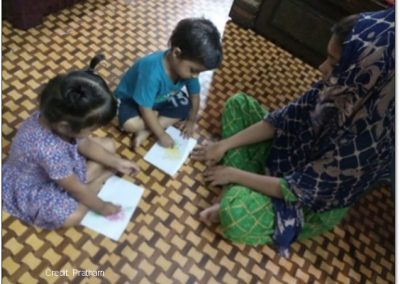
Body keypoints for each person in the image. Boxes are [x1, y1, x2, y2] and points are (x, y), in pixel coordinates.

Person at [193, 8, 394, 256]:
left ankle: (242, 189)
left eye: (333, 63)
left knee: (234, 215)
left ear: (362, 72)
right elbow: (284, 118)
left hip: (305, 203)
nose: (322, 68)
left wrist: (232, 173)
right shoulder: (338, 87)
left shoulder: (366, 141)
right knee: (239, 105)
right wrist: (223, 146)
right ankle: (245, 185)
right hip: (288, 158)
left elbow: (297, 189)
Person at [2, 55, 140, 230]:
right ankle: (98, 182)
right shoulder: (48, 150)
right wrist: (103, 207)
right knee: (73, 216)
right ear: (65, 127)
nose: (93, 132)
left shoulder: (55, 115)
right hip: (36, 187)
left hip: (57, 169)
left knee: (109, 146)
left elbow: (85, 143)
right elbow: (75, 189)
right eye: (91, 128)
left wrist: (116, 162)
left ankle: (100, 176)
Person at [115, 17, 223, 149]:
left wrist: (191, 120)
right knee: (129, 125)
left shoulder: (187, 71)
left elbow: (195, 96)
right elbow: (144, 108)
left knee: (186, 107)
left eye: (199, 72)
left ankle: (147, 130)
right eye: (194, 70)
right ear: (176, 53)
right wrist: (161, 135)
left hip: (160, 99)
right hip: (133, 100)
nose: (195, 76)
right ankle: (153, 124)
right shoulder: (152, 73)